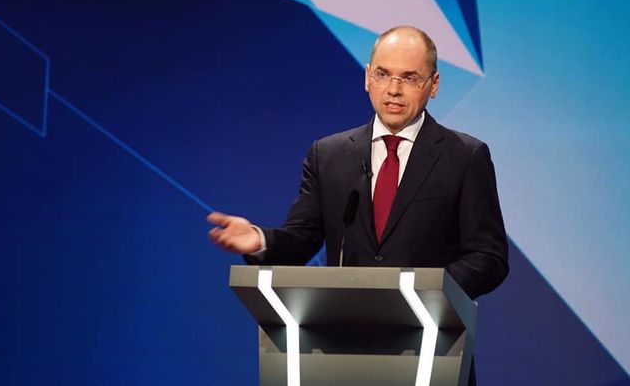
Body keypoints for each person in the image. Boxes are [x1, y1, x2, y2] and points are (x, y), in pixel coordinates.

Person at [207, 26, 509, 383]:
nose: (393, 89)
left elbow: (489, 257)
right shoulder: (329, 155)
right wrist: (259, 241)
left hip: (432, 352)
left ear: (434, 84)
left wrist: (431, 292)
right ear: (367, 78)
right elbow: (301, 239)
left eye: (409, 78)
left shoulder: (465, 157)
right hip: (340, 351)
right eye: (383, 74)